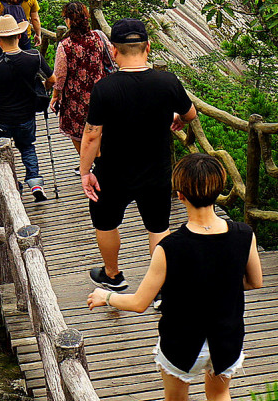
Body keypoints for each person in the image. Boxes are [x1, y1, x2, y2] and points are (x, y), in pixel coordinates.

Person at [87, 153, 260, 401]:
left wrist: (106, 296)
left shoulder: (170, 247)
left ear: (179, 195)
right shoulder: (243, 234)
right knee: (220, 399)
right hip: (226, 336)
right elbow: (254, 281)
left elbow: (138, 302)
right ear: (219, 189)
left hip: (183, 341)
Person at [81, 18, 198, 292]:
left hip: (112, 171)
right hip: (156, 170)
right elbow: (190, 113)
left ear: (114, 50)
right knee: (158, 228)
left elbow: (92, 135)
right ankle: (161, 289)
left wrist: (86, 172)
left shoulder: (105, 88)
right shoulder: (166, 81)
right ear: (148, 47)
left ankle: (113, 275)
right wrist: (176, 116)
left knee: (106, 223)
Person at [0, 13, 50, 203]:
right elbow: (52, 80)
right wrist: (39, 90)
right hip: (27, 116)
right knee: (27, 147)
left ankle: (15, 186)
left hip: (2, 120)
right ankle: (35, 182)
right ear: (19, 36)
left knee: (1, 155)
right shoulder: (34, 57)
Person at [52, 0, 114, 144]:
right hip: (101, 94)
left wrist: (55, 96)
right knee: (101, 131)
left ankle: (89, 162)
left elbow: (60, 76)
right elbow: (112, 56)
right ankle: (100, 161)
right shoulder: (99, 37)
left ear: (69, 21)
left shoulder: (65, 46)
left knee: (78, 135)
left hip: (76, 99)